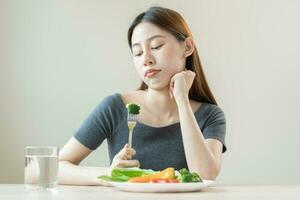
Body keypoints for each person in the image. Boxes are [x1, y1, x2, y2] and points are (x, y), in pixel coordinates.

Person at [58, 6, 226, 186]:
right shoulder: (115, 108)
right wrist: (108, 175)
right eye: (138, 52)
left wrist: (182, 100)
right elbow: (39, 170)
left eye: (156, 46)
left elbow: (205, 176)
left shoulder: (210, 115)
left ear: (187, 47)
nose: (146, 59)